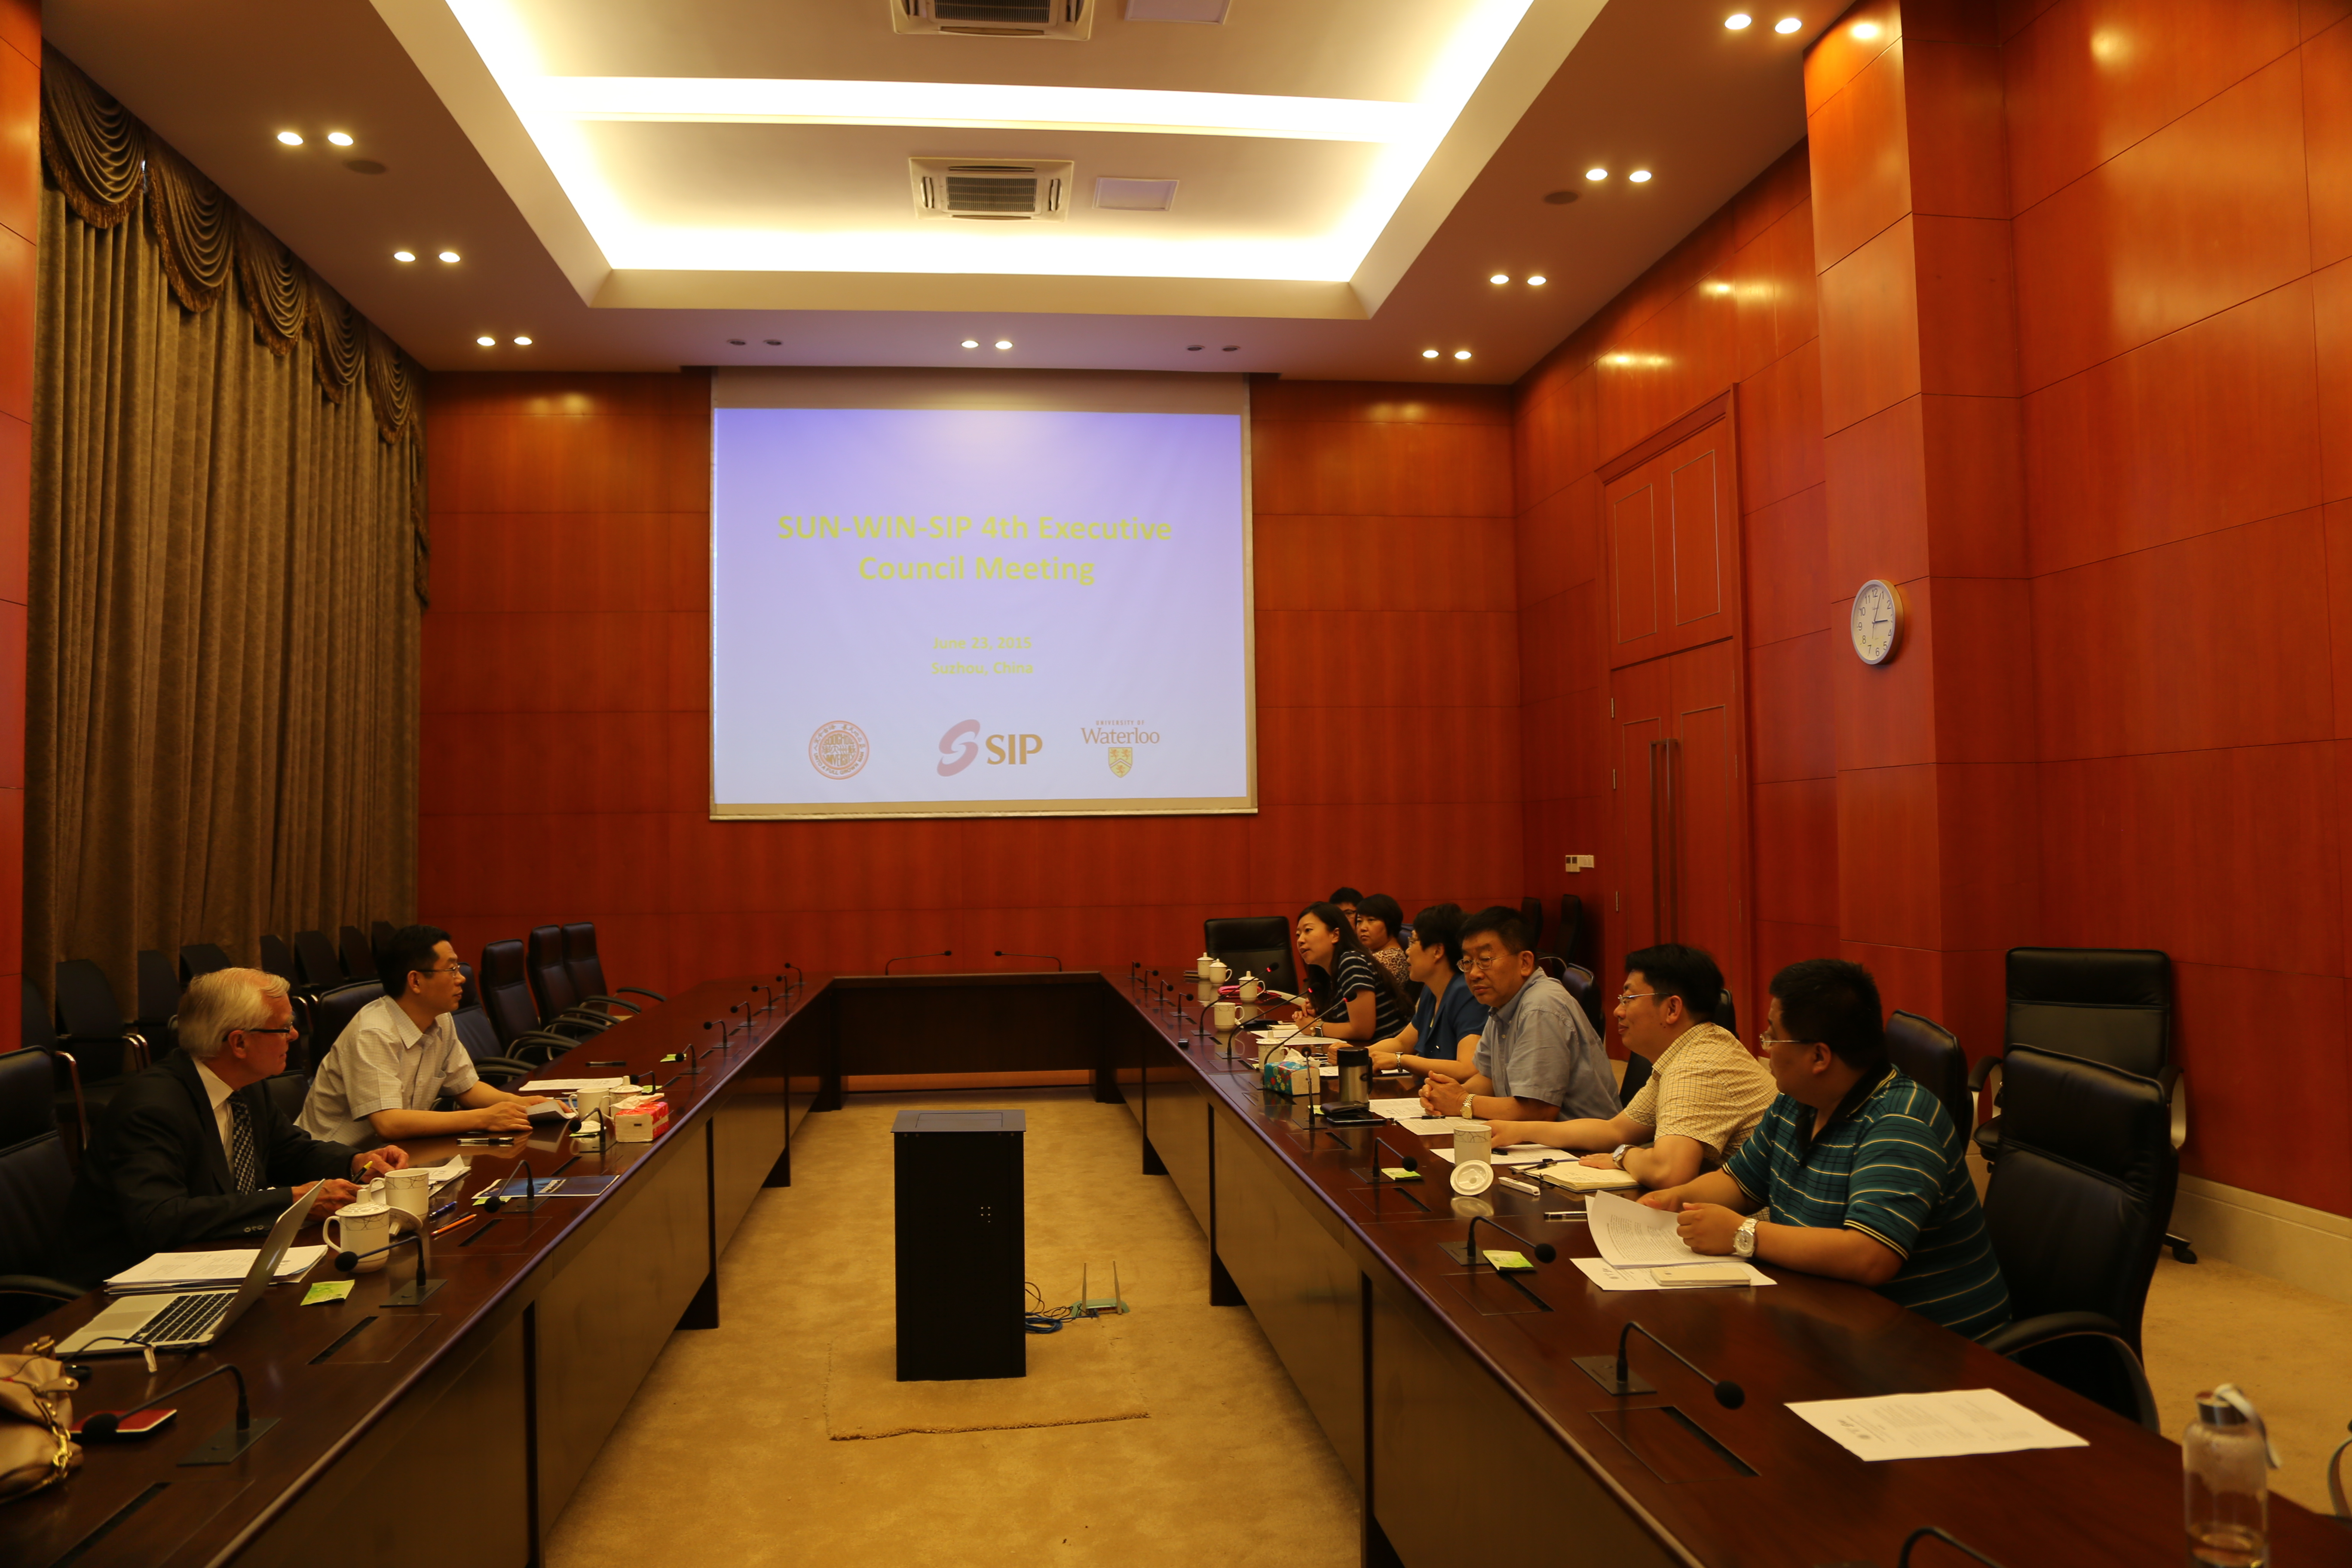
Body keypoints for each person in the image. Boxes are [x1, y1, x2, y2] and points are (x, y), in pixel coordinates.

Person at [1642, 959, 2011, 1341]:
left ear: (1819, 1057)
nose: (1765, 1047)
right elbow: (1740, 1183)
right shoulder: (1798, 1100)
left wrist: (1742, 1234)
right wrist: (1674, 1200)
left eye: (1773, 1037)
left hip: (1933, 1346)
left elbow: (1870, 1256)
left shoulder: (1899, 1122)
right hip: (1829, 1319)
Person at [52, 968, 407, 1286]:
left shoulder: (244, 1084)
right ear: (239, 1042)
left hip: (212, 1258)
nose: (294, 1035)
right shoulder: (152, 1108)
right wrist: (293, 1201)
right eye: (284, 1027)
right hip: (121, 1284)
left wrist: (354, 1162)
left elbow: (289, 1151)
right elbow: (160, 1220)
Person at [1482, 943, 1773, 1189]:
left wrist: (1624, 1156)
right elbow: (1615, 1131)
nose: (1618, 1011)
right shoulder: (1693, 1049)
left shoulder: (1698, 1066)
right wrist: (1519, 1131)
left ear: (1672, 1009)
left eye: (1629, 999)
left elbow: (1668, 1171)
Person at [299, 925, 537, 1148]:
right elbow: (389, 1124)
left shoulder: (440, 1019)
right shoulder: (373, 1033)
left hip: (396, 1153)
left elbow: (467, 1089)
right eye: (451, 969)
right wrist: (484, 1119)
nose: (461, 978)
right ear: (415, 981)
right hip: (333, 1162)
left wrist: (523, 1105)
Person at [1420, 906, 1615, 1124]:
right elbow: (1488, 1078)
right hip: (1535, 1136)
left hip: (1579, 1142)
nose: (1474, 974)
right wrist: (1447, 1095)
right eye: (1468, 962)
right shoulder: (1503, 1002)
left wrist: (1461, 1102)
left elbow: (1538, 1111)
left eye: (1485, 960)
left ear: (1525, 963)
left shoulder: (1541, 1007)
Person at [1368, 903, 1487, 1078]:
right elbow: (1402, 1043)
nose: (1408, 951)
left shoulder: (1467, 993)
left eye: (1413, 942)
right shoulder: (1432, 990)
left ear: (1437, 951)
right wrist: (1358, 1054)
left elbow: (1468, 1068)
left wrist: (1401, 1061)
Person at [1292, 901, 1408, 1044]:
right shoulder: (1330, 975)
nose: (1301, 940)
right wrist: (1318, 1013)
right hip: (1363, 1052)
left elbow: (1362, 1030)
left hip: (1387, 1054)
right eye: (1298, 935)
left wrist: (1313, 1027)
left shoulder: (1351, 962)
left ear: (1335, 935)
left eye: (1308, 930)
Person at [1352, 893, 1412, 994]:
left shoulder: (1389, 958)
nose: (1363, 928)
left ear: (1390, 923)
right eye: (1359, 921)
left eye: (1371, 920)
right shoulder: (1371, 951)